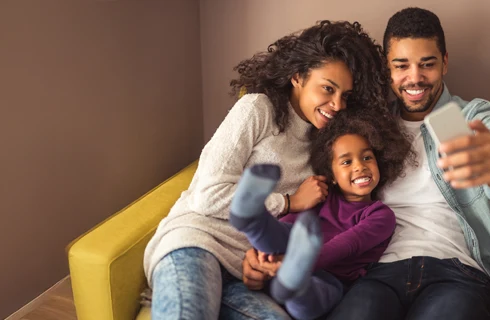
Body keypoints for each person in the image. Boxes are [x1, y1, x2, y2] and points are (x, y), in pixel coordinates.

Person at [141, 20, 389, 320]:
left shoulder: (329, 144)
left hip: (251, 271)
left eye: (345, 95)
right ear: (298, 77)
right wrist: (288, 202)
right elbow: (207, 196)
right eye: (328, 88)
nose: (337, 104)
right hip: (199, 242)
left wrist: (273, 265)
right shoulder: (257, 109)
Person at [323, 7, 490, 319]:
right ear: (387, 67)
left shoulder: (468, 118)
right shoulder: (371, 128)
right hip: (379, 272)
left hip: (458, 273)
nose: (415, 78)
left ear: (445, 63)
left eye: (427, 65)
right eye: (402, 66)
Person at [227, 107, 412, 320]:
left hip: (330, 280)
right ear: (331, 175)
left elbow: (344, 247)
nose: (360, 167)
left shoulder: (380, 215)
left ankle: (292, 280)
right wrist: (262, 257)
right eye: (346, 162)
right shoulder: (322, 197)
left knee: (315, 294)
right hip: (284, 267)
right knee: (287, 231)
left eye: (367, 157)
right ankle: (252, 219)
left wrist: (293, 263)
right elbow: (287, 227)